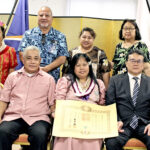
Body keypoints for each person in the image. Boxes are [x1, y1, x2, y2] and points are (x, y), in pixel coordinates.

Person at [0, 46, 56, 150]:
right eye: (29, 58)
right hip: (14, 117)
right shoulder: (13, 77)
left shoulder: (49, 79)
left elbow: (52, 103)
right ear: (23, 60)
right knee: (2, 131)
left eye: (36, 58)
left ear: (40, 60)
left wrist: (55, 115)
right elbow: (3, 100)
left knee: (40, 134)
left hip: (38, 118)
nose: (32, 62)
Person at [53, 53, 106, 150]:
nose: (82, 68)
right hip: (70, 121)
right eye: (78, 65)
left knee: (93, 138)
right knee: (69, 137)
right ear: (73, 67)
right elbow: (59, 104)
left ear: (89, 66)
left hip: (91, 121)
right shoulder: (65, 81)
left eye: (84, 65)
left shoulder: (98, 83)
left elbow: (102, 106)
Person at [105, 50, 150, 150]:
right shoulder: (115, 80)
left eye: (139, 61)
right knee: (112, 143)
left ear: (143, 64)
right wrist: (116, 121)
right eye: (132, 60)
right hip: (122, 125)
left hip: (145, 126)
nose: (135, 63)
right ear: (126, 63)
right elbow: (110, 104)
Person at [18, 6, 69, 82]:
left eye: (47, 15)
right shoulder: (28, 34)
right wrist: (35, 69)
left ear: (52, 18)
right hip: (30, 77)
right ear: (37, 17)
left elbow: (62, 58)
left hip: (51, 79)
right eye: (41, 15)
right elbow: (22, 54)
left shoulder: (60, 36)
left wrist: (46, 69)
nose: (44, 17)